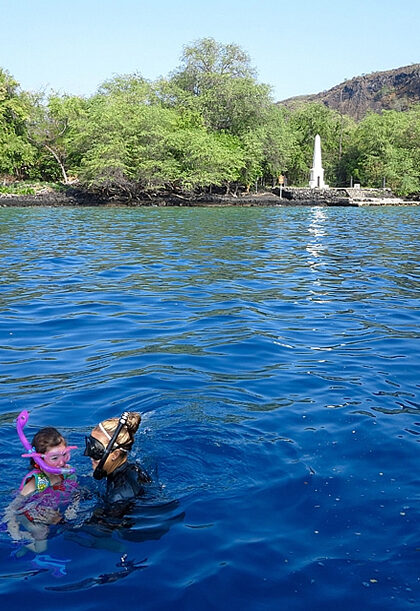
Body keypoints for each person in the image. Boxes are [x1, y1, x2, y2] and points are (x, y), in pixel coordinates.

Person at [6, 421, 78, 554]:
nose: (61, 462)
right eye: (54, 458)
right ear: (39, 460)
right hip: (29, 516)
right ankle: (28, 545)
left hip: (52, 513)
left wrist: (73, 508)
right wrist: (12, 527)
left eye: (65, 455)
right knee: (42, 541)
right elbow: (13, 508)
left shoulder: (67, 473)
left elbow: (76, 492)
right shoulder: (35, 482)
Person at [84, 411, 151, 509]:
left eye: (96, 450)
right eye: (89, 446)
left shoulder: (117, 498)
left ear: (115, 454)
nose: (88, 454)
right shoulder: (133, 468)